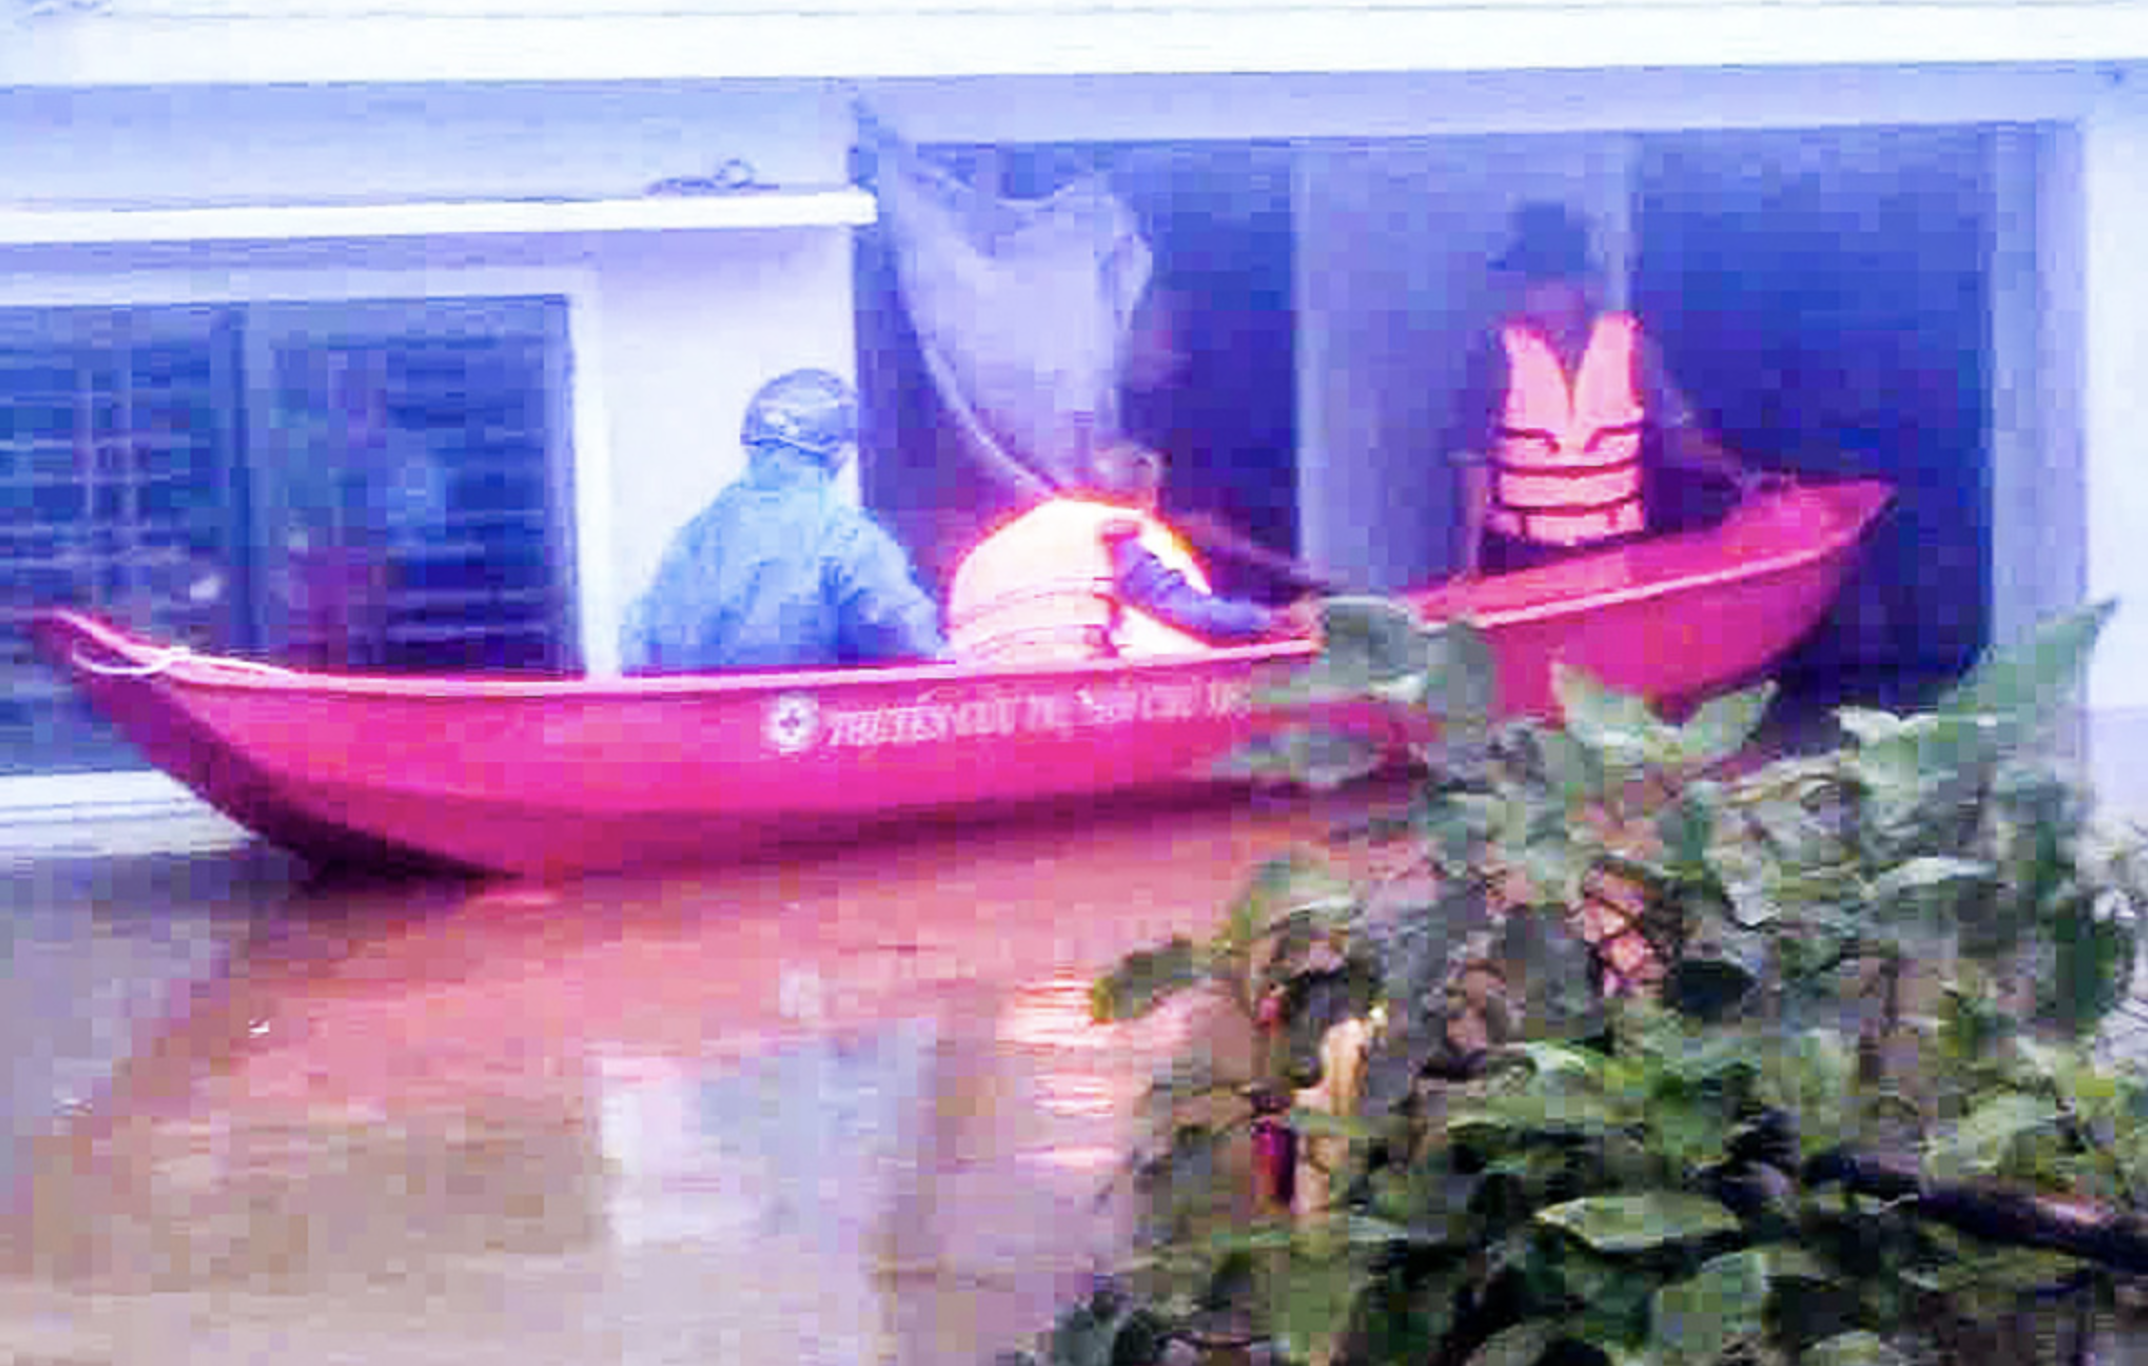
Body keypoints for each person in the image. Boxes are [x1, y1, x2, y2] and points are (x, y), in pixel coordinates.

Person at [1453, 202, 1779, 578]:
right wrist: (1469, 563)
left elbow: (1681, 441)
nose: (1535, 294)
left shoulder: (1632, 348)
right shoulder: (1496, 352)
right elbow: (1474, 462)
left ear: (1581, 284)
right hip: (1521, 555)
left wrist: (1743, 475)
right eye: (1528, 281)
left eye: (1548, 280)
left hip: (1615, 554)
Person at [619, 369, 946, 673]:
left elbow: (637, 650)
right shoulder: (847, 539)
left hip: (688, 731)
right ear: (841, 452)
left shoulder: (691, 538)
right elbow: (914, 648)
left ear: (751, 445)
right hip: (802, 730)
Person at [947, 439, 1316, 664]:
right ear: (1148, 499)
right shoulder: (1112, 531)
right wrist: (1275, 622)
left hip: (982, 687)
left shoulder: (996, 544)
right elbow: (1179, 605)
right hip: (1065, 684)